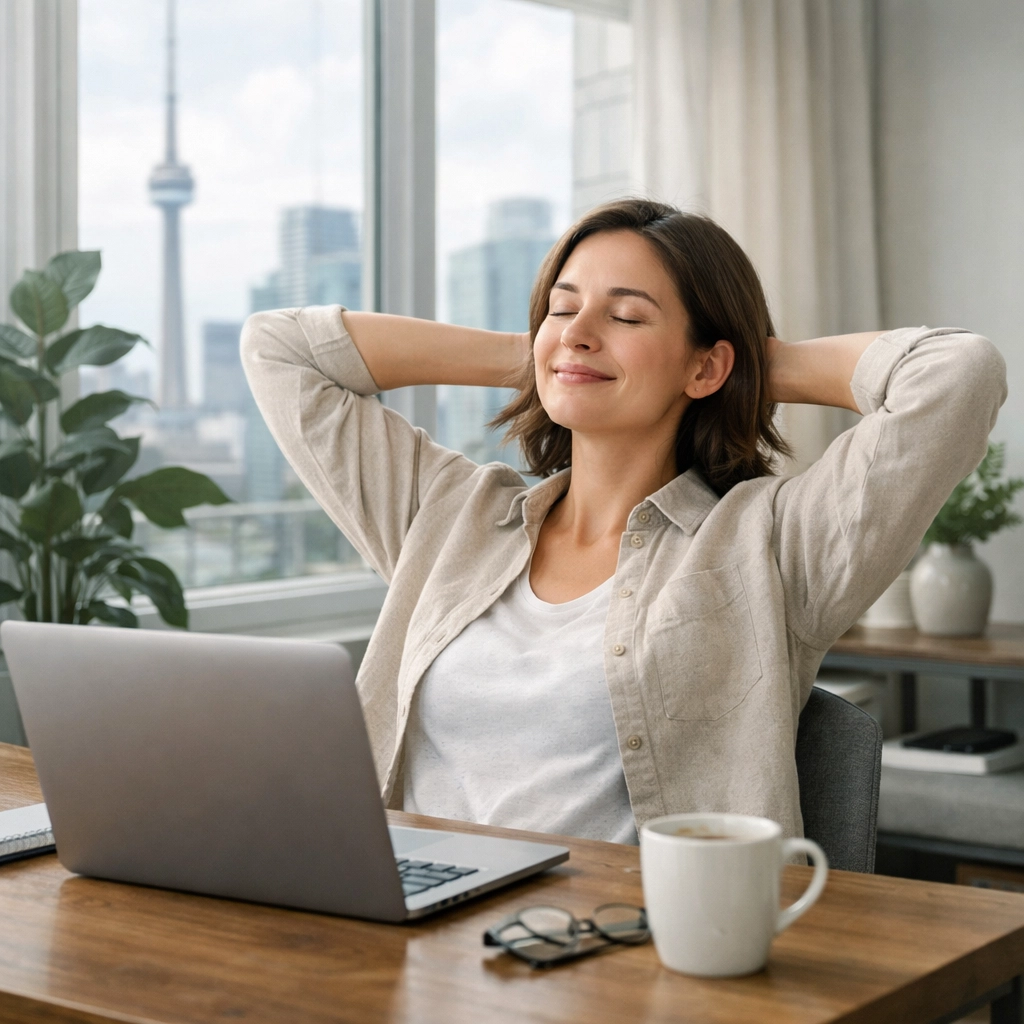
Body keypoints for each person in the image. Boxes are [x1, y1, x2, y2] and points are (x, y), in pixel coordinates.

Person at [241, 198, 1006, 845]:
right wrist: (549, 356)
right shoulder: (448, 519)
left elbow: (958, 373)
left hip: (625, 946)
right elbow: (279, 349)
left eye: (627, 315)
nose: (578, 329)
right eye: (561, 306)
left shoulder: (770, 546)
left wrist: (737, 367)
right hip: (414, 923)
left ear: (706, 365)